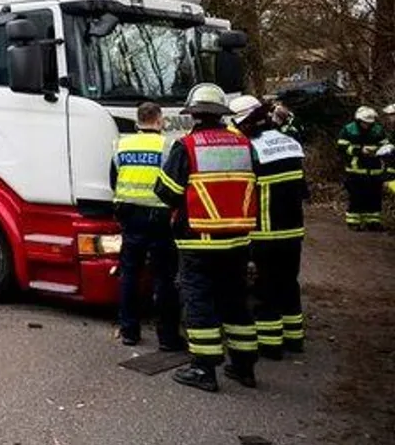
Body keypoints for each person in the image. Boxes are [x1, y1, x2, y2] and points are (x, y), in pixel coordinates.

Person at [155, 83, 260, 393]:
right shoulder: (244, 145)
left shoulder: (186, 147)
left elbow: (167, 192)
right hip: (239, 239)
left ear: (195, 114)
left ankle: (204, 368)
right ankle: (243, 367)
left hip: (199, 240)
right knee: (236, 301)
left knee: (199, 301)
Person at [230, 95, 309, 359]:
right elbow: (303, 190)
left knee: (266, 287)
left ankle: (270, 344)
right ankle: (294, 338)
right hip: (293, 230)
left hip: (265, 231)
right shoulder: (290, 142)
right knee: (289, 283)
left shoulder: (251, 149)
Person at [108, 101, 182, 351]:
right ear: (159, 120)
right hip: (160, 218)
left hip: (129, 216)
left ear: (138, 121)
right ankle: (168, 337)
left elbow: (113, 179)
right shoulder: (168, 145)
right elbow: (174, 184)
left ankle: (129, 331)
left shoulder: (121, 144)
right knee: (164, 278)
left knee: (129, 274)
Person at [336, 106, 389, 230]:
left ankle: (373, 222)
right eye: (365, 122)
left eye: (370, 122)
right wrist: (359, 151)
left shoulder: (378, 129)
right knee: (357, 196)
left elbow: (385, 145)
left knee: (374, 197)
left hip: (375, 169)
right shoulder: (349, 130)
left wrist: (378, 150)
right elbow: (341, 147)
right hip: (355, 170)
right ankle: (354, 221)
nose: (367, 125)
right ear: (359, 120)